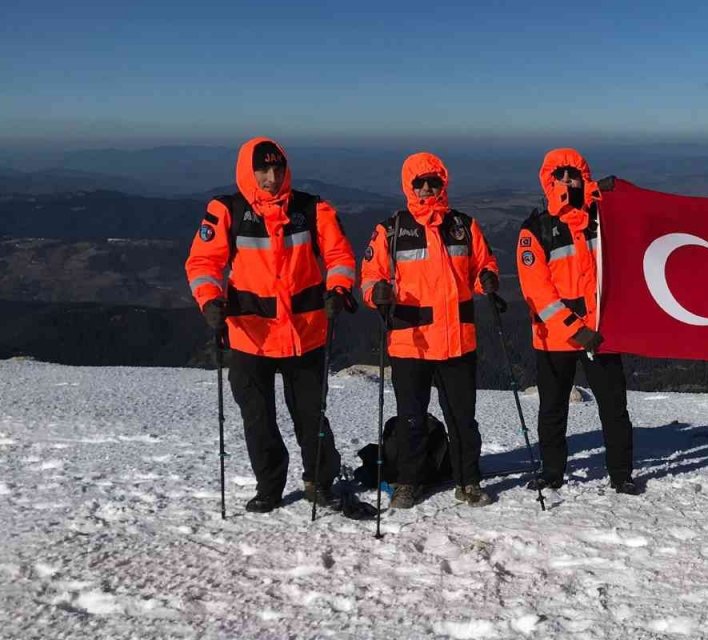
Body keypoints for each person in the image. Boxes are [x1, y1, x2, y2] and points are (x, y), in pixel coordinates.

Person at [185, 137, 357, 513]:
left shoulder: (313, 208)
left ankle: (320, 481)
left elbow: (339, 254)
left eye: (277, 168)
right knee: (258, 419)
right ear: (248, 171)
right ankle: (270, 485)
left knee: (311, 416)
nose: (271, 176)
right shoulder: (225, 210)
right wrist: (209, 301)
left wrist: (339, 288)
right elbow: (203, 264)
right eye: (262, 169)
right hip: (250, 336)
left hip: (304, 333)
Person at [361, 152, 500, 508]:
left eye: (433, 182)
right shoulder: (391, 230)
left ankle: (468, 480)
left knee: (462, 418)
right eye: (419, 183)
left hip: (457, 340)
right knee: (411, 418)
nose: (426, 189)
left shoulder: (464, 225)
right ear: (409, 186)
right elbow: (370, 276)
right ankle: (408, 481)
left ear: (443, 184)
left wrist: (488, 279)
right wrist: (376, 293)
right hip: (411, 342)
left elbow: (483, 264)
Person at [516, 148, 639, 495]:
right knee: (553, 409)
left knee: (614, 408)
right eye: (561, 176)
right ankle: (551, 472)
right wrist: (575, 329)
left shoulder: (602, 219)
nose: (568, 181)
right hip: (557, 338)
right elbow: (538, 293)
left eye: (574, 175)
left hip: (600, 333)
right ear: (549, 180)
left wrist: (619, 196)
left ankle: (621, 474)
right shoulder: (536, 230)